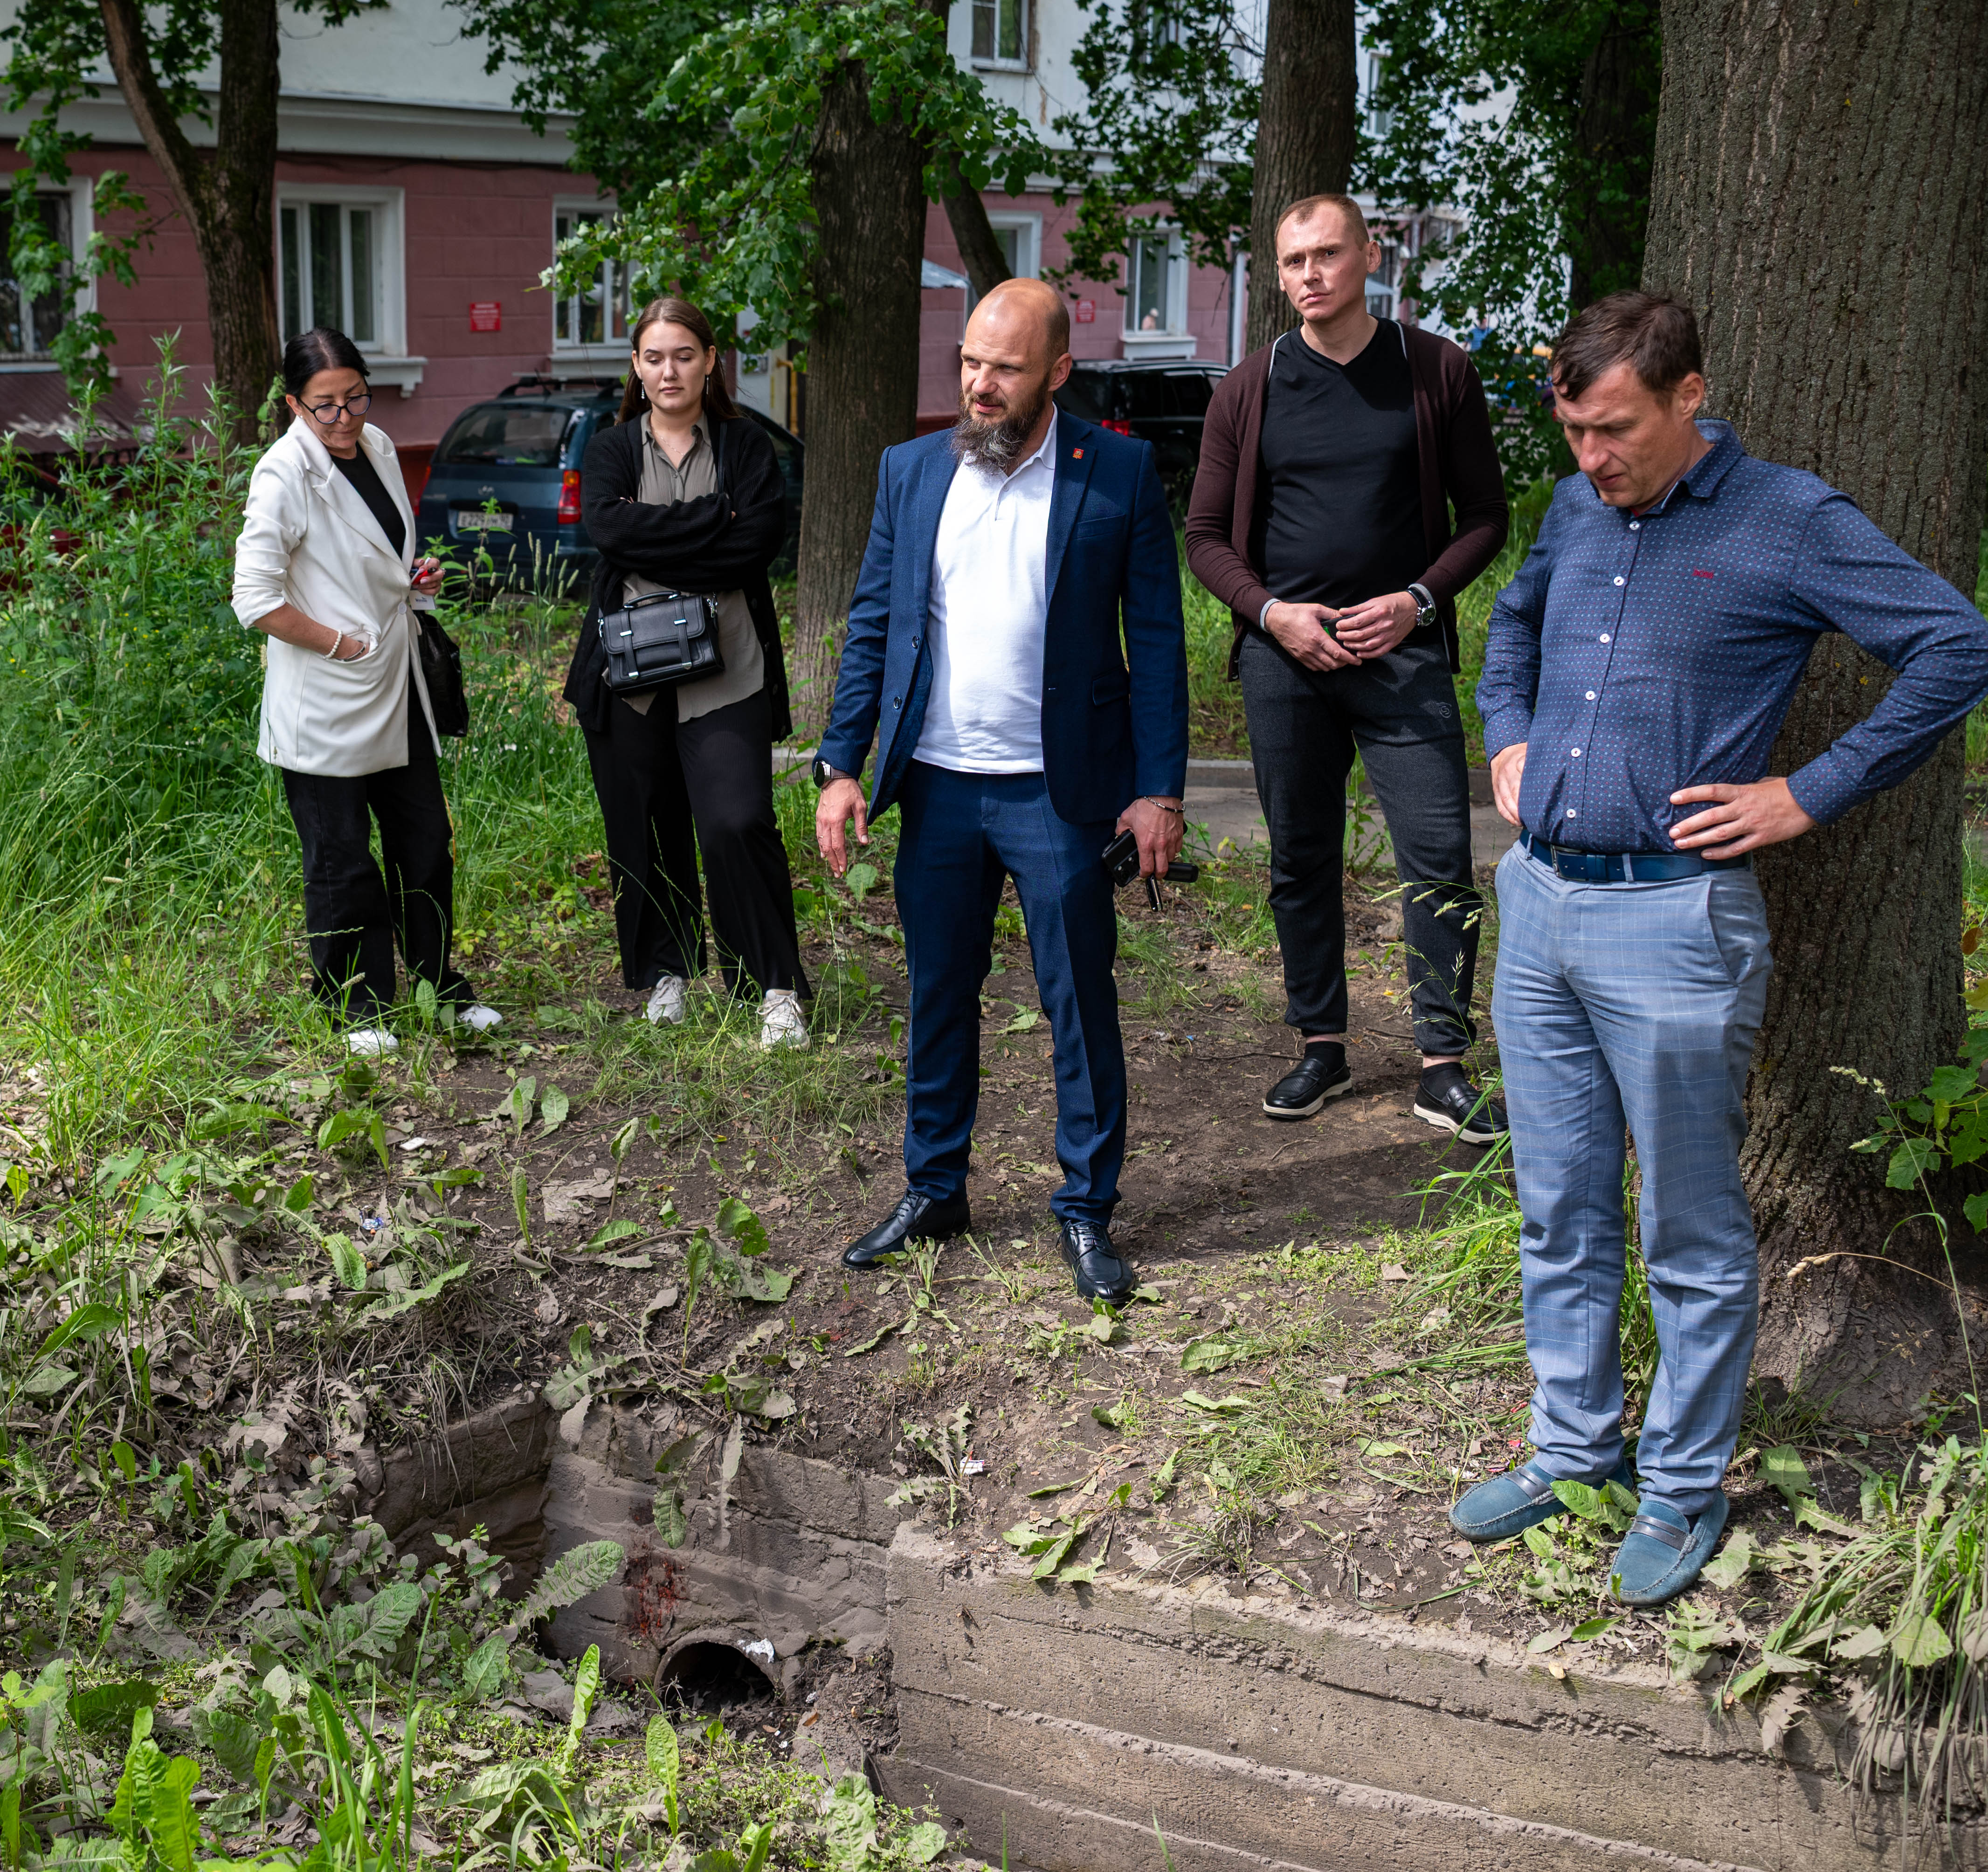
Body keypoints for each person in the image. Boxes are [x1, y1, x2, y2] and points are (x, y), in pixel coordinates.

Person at [1454, 291, 1988, 1604]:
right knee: (1558, 1207)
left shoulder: (1789, 520)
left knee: (1686, 1227)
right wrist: (1507, 733)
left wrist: (1805, 794)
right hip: (1540, 905)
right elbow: (1514, 621)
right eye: (1575, 432)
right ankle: (1574, 1450)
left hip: (1676, 922)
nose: (1593, 459)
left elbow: (1954, 642)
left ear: (1690, 397)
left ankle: (1684, 1486)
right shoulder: (1581, 506)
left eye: (1617, 429)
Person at [815, 279, 1188, 1296]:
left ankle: (1084, 1209)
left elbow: (1154, 642)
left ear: (1056, 372)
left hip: (1057, 796)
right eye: (971, 362)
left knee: (1078, 1003)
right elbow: (873, 627)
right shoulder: (909, 471)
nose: (979, 385)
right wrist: (840, 764)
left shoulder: (1115, 472)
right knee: (937, 995)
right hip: (936, 788)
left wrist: (1157, 788)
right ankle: (933, 1188)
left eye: (1006, 368)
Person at [1186, 194, 1512, 1142]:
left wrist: (1416, 599)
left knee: (1439, 860)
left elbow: (1485, 517)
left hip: (1400, 653)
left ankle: (1441, 1065)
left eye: (1326, 254)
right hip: (1286, 660)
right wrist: (1270, 614)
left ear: (1369, 255)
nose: (1309, 275)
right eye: (1292, 262)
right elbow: (1204, 537)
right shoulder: (1245, 389)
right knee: (1300, 857)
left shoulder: (1433, 370)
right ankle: (1319, 1045)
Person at [232, 328, 503, 1056]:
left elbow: (372, 553)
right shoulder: (282, 474)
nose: (346, 417)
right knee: (342, 860)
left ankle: (436, 983)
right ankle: (356, 1006)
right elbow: (254, 600)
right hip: (325, 696)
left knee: (426, 847)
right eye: (326, 406)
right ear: (294, 405)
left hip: (398, 683)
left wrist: (407, 581)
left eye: (356, 397)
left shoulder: (379, 448)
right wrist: (339, 641)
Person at [565, 296, 809, 1047]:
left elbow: (756, 544)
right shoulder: (610, 449)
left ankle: (772, 985)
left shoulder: (744, 446)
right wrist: (713, 519)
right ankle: (666, 971)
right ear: (636, 368)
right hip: (628, 676)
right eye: (653, 357)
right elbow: (607, 531)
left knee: (738, 820)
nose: (668, 370)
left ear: (710, 361)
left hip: (728, 665)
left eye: (683, 355)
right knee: (644, 826)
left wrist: (655, 538)